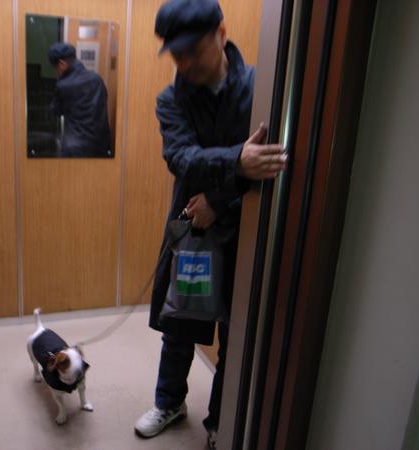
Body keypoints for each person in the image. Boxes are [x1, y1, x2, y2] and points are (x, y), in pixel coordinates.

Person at [133, 0, 287, 448]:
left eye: (192, 50)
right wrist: (238, 159)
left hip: (246, 229)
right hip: (194, 231)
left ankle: (221, 419)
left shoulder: (262, 88)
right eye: (175, 54)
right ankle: (169, 402)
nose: (183, 63)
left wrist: (218, 198)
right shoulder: (171, 100)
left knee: (235, 331)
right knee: (180, 321)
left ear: (221, 33)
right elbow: (182, 159)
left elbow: (270, 165)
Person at [47, 42, 112, 157]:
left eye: (56, 68)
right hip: (100, 145)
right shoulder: (97, 79)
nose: (57, 72)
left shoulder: (63, 85)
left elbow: (55, 111)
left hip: (74, 148)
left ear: (62, 64)